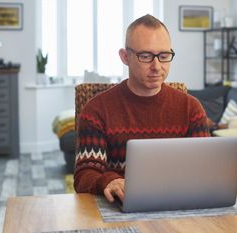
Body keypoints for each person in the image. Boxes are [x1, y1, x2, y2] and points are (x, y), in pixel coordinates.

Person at [73, 14, 210, 203]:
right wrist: (110, 181)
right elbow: (84, 176)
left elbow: (205, 169)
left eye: (164, 56)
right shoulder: (97, 110)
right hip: (119, 206)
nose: (157, 66)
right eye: (145, 56)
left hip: (179, 204)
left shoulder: (191, 108)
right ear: (125, 57)